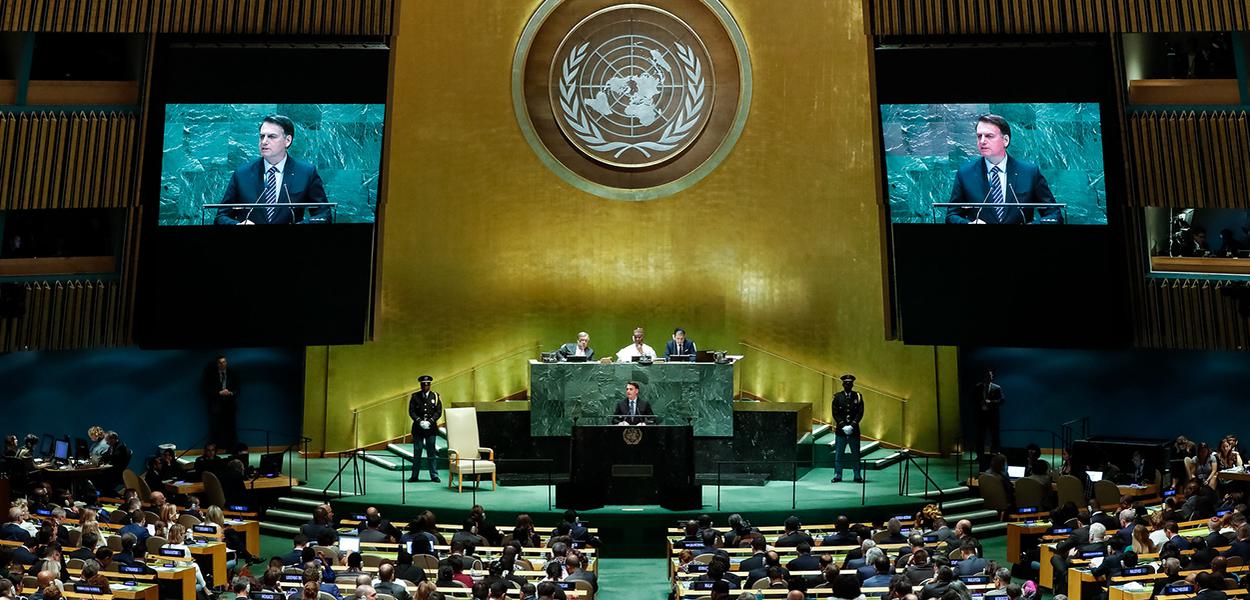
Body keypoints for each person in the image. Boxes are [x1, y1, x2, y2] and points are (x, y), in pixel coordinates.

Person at [215, 115, 330, 226]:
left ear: (288, 140)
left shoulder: (306, 173)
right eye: (262, 136)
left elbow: (324, 214)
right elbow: (221, 217)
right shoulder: (242, 174)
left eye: (271, 136)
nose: (264, 141)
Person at [945, 114, 1059, 225]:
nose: (982, 141)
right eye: (979, 136)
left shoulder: (1029, 172)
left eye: (989, 136)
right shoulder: (965, 174)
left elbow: (1054, 214)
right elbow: (951, 216)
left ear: (1005, 140)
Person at [407, 375, 443, 483]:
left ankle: (434, 475)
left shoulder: (435, 396)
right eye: (423, 385)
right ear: (421, 385)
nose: (425, 387)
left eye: (427, 385)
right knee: (417, 452)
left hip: (431, 429)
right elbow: (411, 411)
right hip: (418, 429)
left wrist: (431, 421)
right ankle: (414, 475)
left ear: (430, 385)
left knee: (431, 452)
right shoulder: (415, 396)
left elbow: (438, 411)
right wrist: (419, 421)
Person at [831, 374, 865, 483]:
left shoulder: (858, 396)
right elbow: (835, 413)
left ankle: (857, 475)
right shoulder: (837, 397)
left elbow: (860, 412)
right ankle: (837, 475)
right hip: (841, 431)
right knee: (839, 454)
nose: (848, 385)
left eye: (850, 383)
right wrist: (843, 425)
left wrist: (852, 425)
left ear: (852, 384)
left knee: (855, 454)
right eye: (846, 383)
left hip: (854, 430)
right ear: (843, 384)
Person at [203, 355, 240, 449]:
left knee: (231, 429)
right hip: (216, 406)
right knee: (216, 429)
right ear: (217, 364)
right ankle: (216, 449)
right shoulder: (211, 375)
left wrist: (231, 393)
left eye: (224, 362)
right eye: (220, 362)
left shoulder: (232, 373)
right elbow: (206, 389)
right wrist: (219, 393)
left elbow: (238, 388)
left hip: (230, 405)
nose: (223, 364)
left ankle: (232, 449)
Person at [974, 370, 1004, 461]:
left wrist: (991, 402)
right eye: (988, 376)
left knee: (995, 435)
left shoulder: (997, 388)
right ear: (984, 377)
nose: (990, 377)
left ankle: (994, 454)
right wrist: (979, 403)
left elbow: (1002, 400)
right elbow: (972, 399)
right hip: (981, 416)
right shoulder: (978, 387)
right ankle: (979, 455)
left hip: (993, 417)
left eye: (991, 376)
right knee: (980, 437)